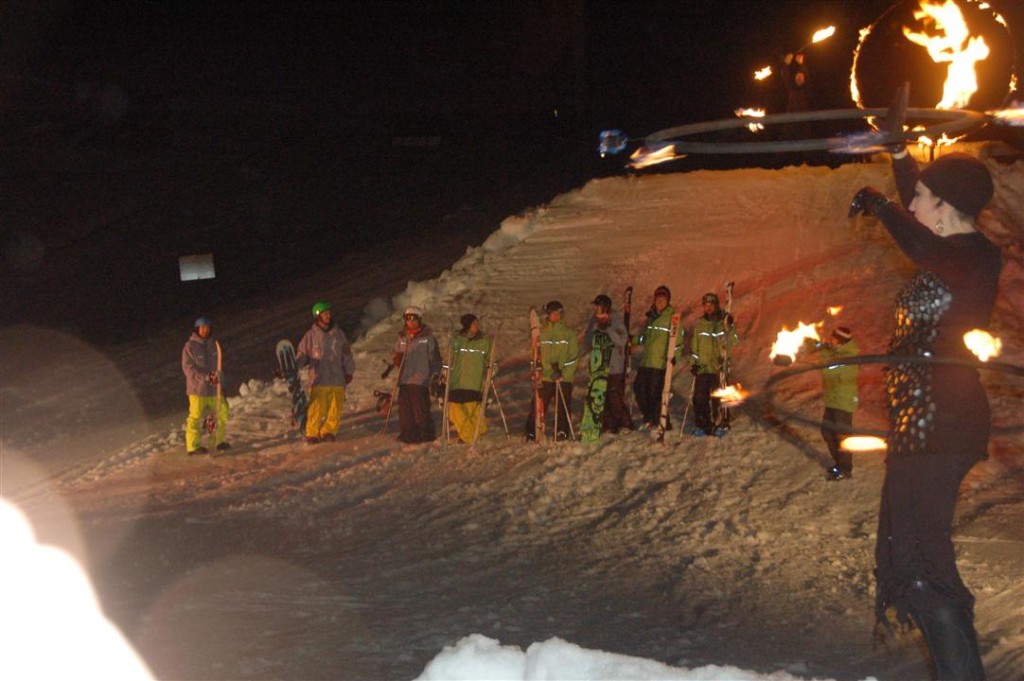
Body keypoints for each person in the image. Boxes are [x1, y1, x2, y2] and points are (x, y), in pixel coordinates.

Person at [849, 89, 998, 678]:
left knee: (922, 565)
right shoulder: (947, 247)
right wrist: (897, 148)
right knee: (905, 563)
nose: (914, 204)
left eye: (922, 198)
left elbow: (917, 239)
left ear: (942, 207)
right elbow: (921, 221)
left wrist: (885, 206)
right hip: (918, 429)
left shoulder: (976, 258)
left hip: (946, 423)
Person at [296, 301, 356, 444]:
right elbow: (302, 354)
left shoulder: (338, 334)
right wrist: (296, 364)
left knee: (335, 407)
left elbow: (347, 354)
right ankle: (312, 433)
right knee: (317, 408)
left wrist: (349, 371)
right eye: (324, 313)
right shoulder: (310, 336)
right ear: (317, 317)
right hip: (319, 379)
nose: (328, 315)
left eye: (328, 313)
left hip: (337, 378)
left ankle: (328, 431)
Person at [806, 326, 860, 480]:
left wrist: (823, 351)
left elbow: (828, 369)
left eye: (834, 338)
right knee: (828, 433)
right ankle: (839, 463)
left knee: (842, 437)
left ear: (840, 341)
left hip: (843, 402)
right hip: (832, 400)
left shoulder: (848, 358)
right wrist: (815, 344)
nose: (831, 340)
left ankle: (845, 469)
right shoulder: (837, 351)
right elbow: (824, 354)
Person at [524, 300, 579, 441]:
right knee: (538, 404)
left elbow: (573, 357)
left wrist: (564, 373)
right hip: (547, 376)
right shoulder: (542, 333)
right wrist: (542, 371)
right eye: (552, 313)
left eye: (558, 313)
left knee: (563, 405)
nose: (555, 316)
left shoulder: (569, 334)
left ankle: (562, 431)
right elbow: (536, 354)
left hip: (563, 377)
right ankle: (532, 430)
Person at [688, 292, 738, 437]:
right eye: (706, 305)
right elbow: (694, 346)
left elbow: (734, 341)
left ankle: (721, 423)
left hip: (718, 367)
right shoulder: (700, 325)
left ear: (716, 305)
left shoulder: (723, 323)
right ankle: (702, 424)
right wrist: (694, 363)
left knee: (719, 397)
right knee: (699, 398)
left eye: (711, 304)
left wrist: (731, 326)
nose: (708, 308)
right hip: (703, 367)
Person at [582, 294, 632, 435]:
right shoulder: (594, 321)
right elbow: (587, 340)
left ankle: (624, 424)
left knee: (614, 396)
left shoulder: (615, 320)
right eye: (595, 306)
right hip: (599, 366)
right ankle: (608, 425)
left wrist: (608, 330)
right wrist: (596, 330)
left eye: (598, 306)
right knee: (601, 397)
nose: (596, 308)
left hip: (615, 366)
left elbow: (622, 339)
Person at [392, 306, 442, 445]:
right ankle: (409, 433)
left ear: (419, 320)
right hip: (405, 378)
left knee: (420, 408)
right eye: (408, 319)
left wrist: (436, 374)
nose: (411, 322)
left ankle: (426, 433)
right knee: (405, 410)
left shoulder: (427, 338)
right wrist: (397, 358)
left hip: (420, 378)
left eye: (414, 319)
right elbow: (397, 352)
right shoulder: (402, 337)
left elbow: (435, 358)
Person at [631, 285, 679, 430]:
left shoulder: (672, 318)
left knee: (655, 394)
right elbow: (645, 337)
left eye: (663, 299)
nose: (660, 302)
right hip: (647, 361)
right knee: (639, 389)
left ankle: (662, 421)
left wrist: (673, 356)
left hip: (660, 363)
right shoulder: (651, 317)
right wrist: (632, 340)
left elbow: (678, 340)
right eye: (658, 299)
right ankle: (649, 418)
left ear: (667, 301)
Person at [181, 316, 229, 455]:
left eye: (207, 328)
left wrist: (220, 379)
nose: (205, 330)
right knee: (195, 416)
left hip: (214, 388)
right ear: (197, 329)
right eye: (202, 328)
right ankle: (193, 446)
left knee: (222, 411)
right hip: (198, 390)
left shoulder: (214, 345)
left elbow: (218, 366)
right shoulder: (189, 347)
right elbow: (188, 369)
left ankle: (218, 441)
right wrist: (206, 377)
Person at [446, 314, 492, 445]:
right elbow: (448, 359)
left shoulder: (484, 342)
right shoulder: (456, 340)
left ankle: (470, 435)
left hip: (474, 382)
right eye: (474, 324)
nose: (477, 326)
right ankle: (473, 433)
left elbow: (491, 360)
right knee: (455, 412)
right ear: (467, 326)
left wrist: (492, 369)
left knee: (471, 412)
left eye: (477, 323)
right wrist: (444, 374)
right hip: (457, 381)